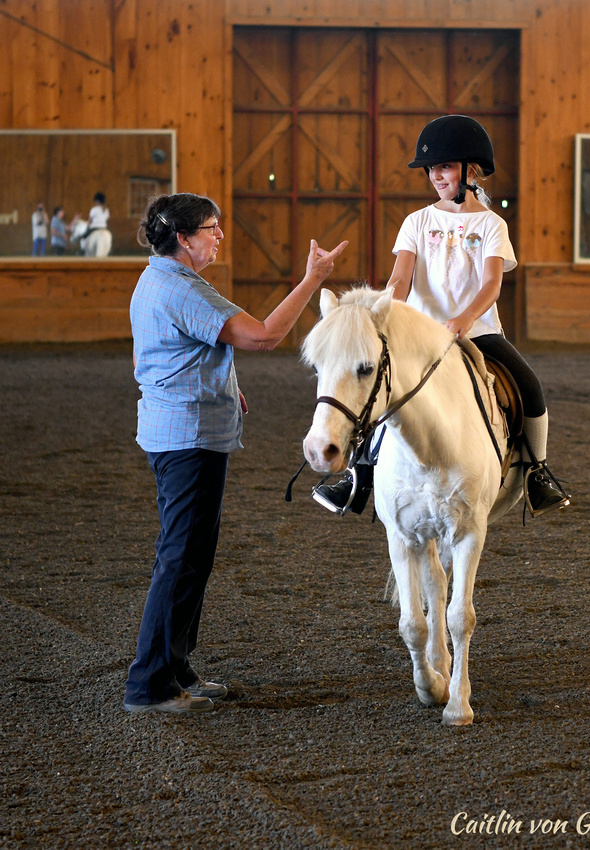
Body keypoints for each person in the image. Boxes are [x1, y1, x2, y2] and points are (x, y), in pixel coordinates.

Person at [124, 193, 347, 715]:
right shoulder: (181, 288)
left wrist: (221, 380)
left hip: (176, 430)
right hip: (189, 437)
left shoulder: (156, 278)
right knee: (180, 558)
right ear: (183, 238)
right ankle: (150, 684)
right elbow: (265, 336)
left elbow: (149, 353)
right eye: (211, 227)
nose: (219, 234)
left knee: (190, 556)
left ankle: (175, 670)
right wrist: (313, 279)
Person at [313, 114, 570, 519]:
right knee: (379, 391)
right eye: (431, 169)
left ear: (470, 171)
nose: (435, 175)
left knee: (530, 388)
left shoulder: (491, 224)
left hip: (478, 331)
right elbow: (400, 280)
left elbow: (491, 285)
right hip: (418, 335)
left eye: (444, 167)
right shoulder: (417, 221)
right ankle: (357, 475)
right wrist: (379, 310)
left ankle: (537, 472)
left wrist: (466, 319)